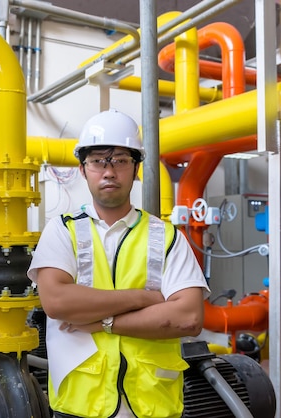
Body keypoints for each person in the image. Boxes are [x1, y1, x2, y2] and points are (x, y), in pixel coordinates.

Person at [27, 109, 210, 418]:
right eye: (98, 161)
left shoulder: (166, 237)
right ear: (83, 170)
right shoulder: (63, 229)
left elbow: (188, 318)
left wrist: (103, 323)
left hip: (152, 404)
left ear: (136, 169)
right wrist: (144, 298)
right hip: (81, 405)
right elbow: (57, 302)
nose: (109, 172)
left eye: (121, 161)